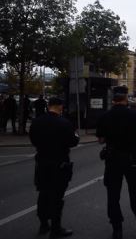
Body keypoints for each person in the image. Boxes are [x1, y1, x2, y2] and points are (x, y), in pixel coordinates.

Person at [96, 86, 136, 239]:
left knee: (113, 196)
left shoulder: (105, 116)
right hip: (131, 159)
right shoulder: (133, 115)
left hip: (112, 160)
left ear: (113, 100)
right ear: (125, 99)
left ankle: (117, 230)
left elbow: (100, 139)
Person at [29, 97, 79, 238]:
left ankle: (43, 224)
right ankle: (56, 228)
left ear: (48, 106)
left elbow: (33, 139)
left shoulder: (37, 122)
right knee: (57, 197)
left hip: (42, 163)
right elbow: (73, 141)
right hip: (59, 164)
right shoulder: (64, 123)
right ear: (60, 107)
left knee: (43, 193)